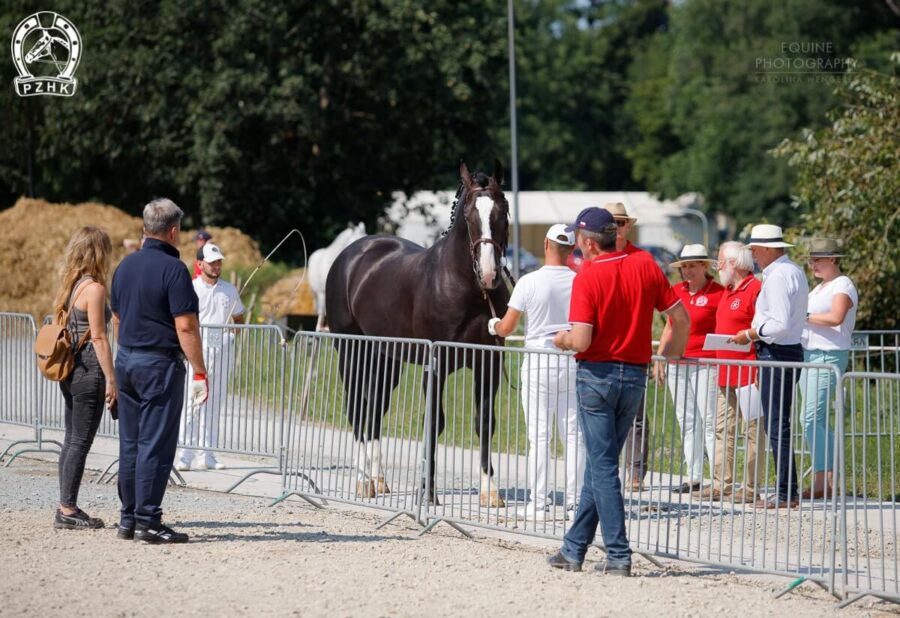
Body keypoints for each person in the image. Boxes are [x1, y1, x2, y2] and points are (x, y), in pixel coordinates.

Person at [547, 207, 690, 577]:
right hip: (635, 377)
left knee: (604, 467)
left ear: (587, 242)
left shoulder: (588, 276)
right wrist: (670, 355)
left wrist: (561, 340)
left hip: (597, 375)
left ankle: (618, 554)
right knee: (601, 465)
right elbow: (681, 318)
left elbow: (581, 338)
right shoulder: (645, 264)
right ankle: (574, 549)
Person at [111, 198, 209, 543]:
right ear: (172, 231)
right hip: (158, 363)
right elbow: (185, 327)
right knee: (156, 444)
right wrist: (199, 370)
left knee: (131, 443)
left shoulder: (124, 266)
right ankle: (149, 520)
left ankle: (128, 518)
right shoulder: (174, 270)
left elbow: (118, 319)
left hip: (127, 358)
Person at [488, 224, 584, 521]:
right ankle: (574, 503)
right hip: (572, 361)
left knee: (539, 436)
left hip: (539, 363)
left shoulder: (528, 282)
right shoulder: (580, 281)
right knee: (573, 436)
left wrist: (492, 325)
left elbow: (507, 327)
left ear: (546, 244)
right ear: (570, 250)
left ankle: (538, 503)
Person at [729, 224, 808, 509]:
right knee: (779, 423)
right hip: (789, 351)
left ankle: (787, 492)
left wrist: (750, 333)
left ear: (765, 249)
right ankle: (788, 490)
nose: (754, 257)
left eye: (755, 251)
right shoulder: (794, 271)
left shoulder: (776, 277)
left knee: (777, 425)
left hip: (776, 352)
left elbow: (779, 323)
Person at [51, 226, 117, 530]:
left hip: (71, 369)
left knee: (70, 438)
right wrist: (112, 379)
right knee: (80, 440)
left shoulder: (71, 285)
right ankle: (68, 508)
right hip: (89, 367)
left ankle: (65, 503)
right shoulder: (95, 289)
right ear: (98, 252)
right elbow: (100, 338)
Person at [654, 245, 724, 493]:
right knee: (686, 419)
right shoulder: (676, 291)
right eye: (684, 266)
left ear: (705, 266)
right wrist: (660, 357)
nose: (687, 270)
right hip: (678, 360)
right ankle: (693, 475)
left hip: (706, 361)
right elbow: (670, 327)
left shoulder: (718, 293)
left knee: (709, 419)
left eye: (693, 265)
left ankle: (717, 477)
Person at [704, 241, 767, 502]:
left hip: (748, 373)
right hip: (725, 372)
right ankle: (721, 483)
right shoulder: (728, 292)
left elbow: (762, 331)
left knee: (752, 430)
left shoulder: (756, 289)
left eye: (720, 261)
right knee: (722, 429)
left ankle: (750, 487)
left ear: (734, 263)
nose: (717, 266)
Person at [176, 243, 245, 471]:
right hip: (198, 350)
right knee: (193, 399)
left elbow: (239, 318)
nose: (217, 266)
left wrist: (234, 331)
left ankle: (208, 453)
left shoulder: (229, 290)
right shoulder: (191, 288)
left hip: (222, 351)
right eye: (212, 262)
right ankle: (185, 453)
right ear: (200, 264)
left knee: (214, 402)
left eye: (219, 262)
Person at [799, 238, 858, 499]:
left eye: (818, 259)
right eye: (811, 260)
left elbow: (836, 317)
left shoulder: (843, 284)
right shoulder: (818, 288)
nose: (813, 264)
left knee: (811, 418)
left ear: (834, 259)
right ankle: (824, 480)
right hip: (810, 355)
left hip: (828, 356)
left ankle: (829, 477)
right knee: (814, 419)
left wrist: (804, 317)